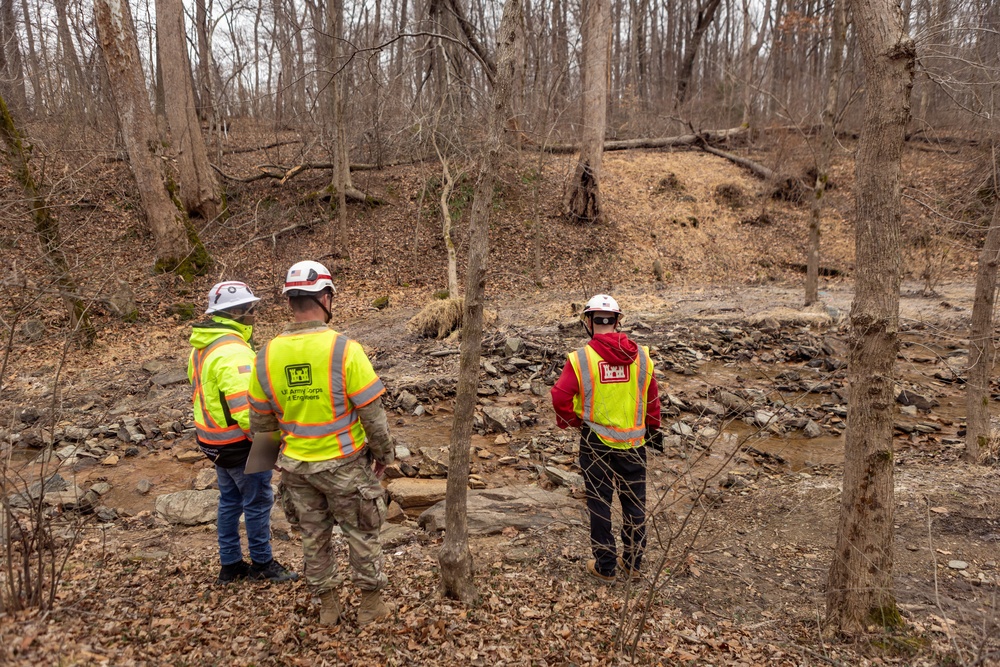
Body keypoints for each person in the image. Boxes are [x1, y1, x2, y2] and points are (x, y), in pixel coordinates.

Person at [248, 260, 396, 627]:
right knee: (363, 533)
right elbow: (372, 413)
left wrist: (267, 468)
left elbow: (261, 422)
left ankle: (328, 607)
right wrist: (384, 456)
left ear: (290, 302)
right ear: (326, 297)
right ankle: (370, 605)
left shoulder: (265, 355)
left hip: (297, 470)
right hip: (345, 464)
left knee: (314, 539)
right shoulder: (345, 349)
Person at [188, 281, 298, 584]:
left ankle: (231, 564)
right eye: (252, 309)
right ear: (236, 312)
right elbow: (247, 412)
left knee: (230, 500)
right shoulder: (233, 352)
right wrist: (270, 448)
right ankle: (262, 563)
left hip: (214, 441)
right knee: (259, 500)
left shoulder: (204, 345)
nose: (255, 315)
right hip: (239, 444)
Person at [550, 294, 662, 583]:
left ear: (589, 322)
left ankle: (605, 567)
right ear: (617, 321)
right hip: (635, 444)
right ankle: (634, 564)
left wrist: (573, 422)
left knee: (600, 504)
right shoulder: (642, 356)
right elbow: (652, 399)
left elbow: (560, 396)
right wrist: (652, 429)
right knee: (634, 504)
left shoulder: (581, 359)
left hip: (595, 442)